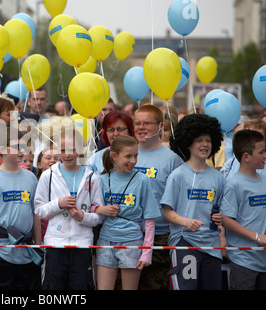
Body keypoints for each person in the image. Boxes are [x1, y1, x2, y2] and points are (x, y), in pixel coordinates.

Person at [161, 113, 225, 290]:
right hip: (185, 242)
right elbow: (166, 211)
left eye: (208, 140)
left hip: (212, 247)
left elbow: (222, 213)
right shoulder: (177, 175)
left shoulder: (219, 178)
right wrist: (185, 222)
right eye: (199, 140)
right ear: (188, 142)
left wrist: (221, 224)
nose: (205, 144)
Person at [34, 127, 103, 290]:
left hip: (82, 244)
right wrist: (58, 204)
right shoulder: (48, 176)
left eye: (72, 149)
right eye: (63, 150)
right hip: (55, 244)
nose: (67, 154)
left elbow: (99, 216)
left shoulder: (92, 178)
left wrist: (82, 217)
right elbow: (39, 210)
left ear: (81, 149)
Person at [0, 126, 42, 290]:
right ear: (1, 149)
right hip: (1, 252)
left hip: (27, 254)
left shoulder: (31, 178)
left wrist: (38, 245)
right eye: (16, 146)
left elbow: (35, 214)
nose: (22, 150)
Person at [95, 135, 160, 290]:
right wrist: (100, 209)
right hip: (106, 240)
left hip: (132, 241)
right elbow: (90, 207)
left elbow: (149, 220)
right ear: (115, 156)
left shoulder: (143, 180)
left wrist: (146, 252)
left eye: (136, 155)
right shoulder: (102, 178)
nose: (133, 160)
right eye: (128, 156)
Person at [133, 104, 183, 290]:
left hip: (161, 236)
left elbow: (178, 201)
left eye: (147, 123)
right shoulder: (127, 155)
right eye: (137, 123)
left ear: (160, 126)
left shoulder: (172, 160)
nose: (141, 127)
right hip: (129, 234)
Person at [222, 129, 266, 290]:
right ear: (246, 156)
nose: (265, 155)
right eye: (261, 152)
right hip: (244, 260)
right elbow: (226, 219)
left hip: (263, 259)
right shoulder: (233, 184)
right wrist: (257, 237)